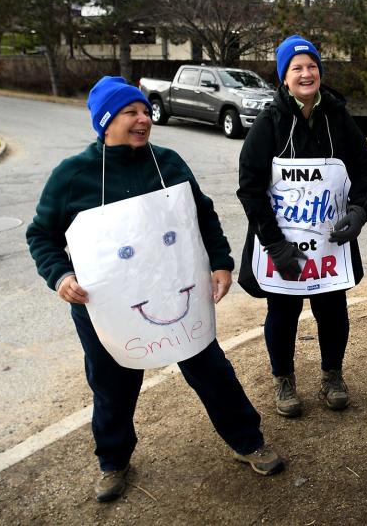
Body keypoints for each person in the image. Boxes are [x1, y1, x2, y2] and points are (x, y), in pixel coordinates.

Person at [26, 76, 284, 503]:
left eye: (145, 110)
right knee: (111, 387)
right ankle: (113, 460)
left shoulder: (168, 162)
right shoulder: (72, 176)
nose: (144, 118)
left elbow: (203, 217)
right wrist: (61, 276)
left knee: (212, 372)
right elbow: (41, 236)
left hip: (179, 298)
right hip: (108, 312)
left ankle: (247, 440)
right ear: (106, 122)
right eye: (131, 112)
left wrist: (220, 262)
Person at [237, 35, 367, 417]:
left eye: (311, 65)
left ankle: (332, 374)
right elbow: (249, 189)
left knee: (333, 311)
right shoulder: (268, 122)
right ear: (284, 77)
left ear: (320, 71)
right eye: (296, 67)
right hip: (282, 243)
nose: (306, 73)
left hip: (330, 243)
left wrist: (359, 210)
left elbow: (364, 169)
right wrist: (275, 245)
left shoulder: (338, 116)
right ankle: (284, 380)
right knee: (282, 313)